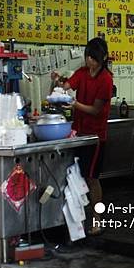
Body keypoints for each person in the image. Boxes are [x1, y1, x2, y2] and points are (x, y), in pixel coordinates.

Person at [51, 37, 113, 235]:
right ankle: (77, 220)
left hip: (95, 137)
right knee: (77, 176)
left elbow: (95, 110)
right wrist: (58, 81)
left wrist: (74, 104)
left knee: (92, 178)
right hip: (78, 132)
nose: (89, 61)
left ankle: (97, 219)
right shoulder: (83, 72)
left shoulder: (106, 80)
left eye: (93, 58)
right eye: (88, 57)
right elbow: (68, 84)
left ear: (102, 58)